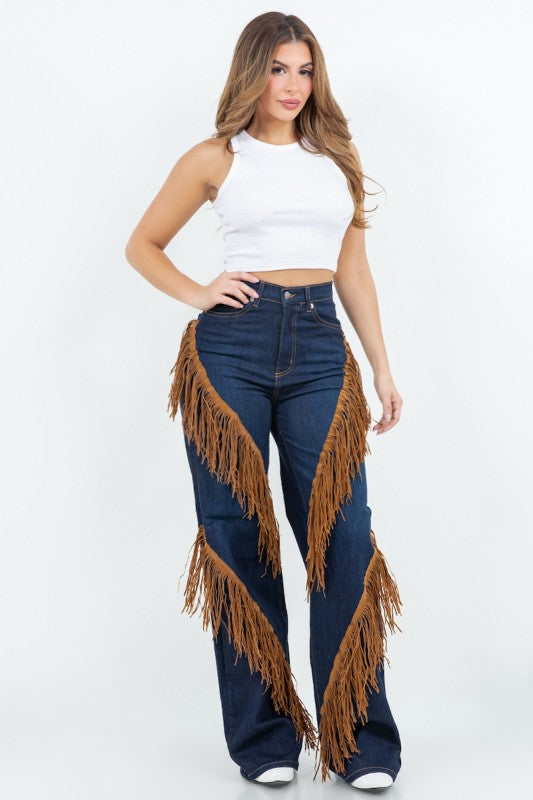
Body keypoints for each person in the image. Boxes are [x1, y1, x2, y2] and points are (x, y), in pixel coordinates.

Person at [125, 11, 404, 792]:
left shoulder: (336, 157)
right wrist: (199, 291)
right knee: (237, 538)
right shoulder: (215, 157)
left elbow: (353, 271)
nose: (292, 85)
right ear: (252, 71)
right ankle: (264, 741)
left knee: (340, 536)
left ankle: (359, 744)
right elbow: (142, 244)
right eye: (279, 68)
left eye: (304, 70)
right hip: (230, 351)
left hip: (319, 347)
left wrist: (381, 367)